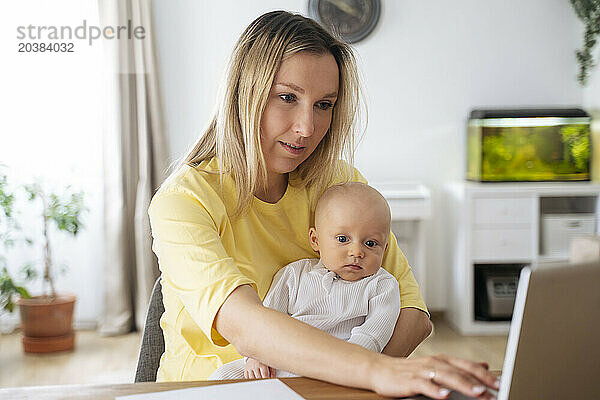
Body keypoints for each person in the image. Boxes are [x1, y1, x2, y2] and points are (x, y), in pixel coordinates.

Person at [148, 10, 499, 399]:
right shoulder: (183, 201)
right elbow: (246, 326)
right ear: (243, 93)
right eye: (287, 97)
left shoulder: (340, 183)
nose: (307, 128)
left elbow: (413, 316)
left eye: (324, 105)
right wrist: (372, 371)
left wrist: (339, 386)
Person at [209, 182, 401, 380]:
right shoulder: (294, 274)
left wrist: (348, 364)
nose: (357, 252)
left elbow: (373, 334)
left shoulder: (382, 285)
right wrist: (256, 356)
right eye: (342, 239)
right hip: (281, 358)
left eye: (370, 243)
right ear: (315, 240)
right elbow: (267, 319)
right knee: (223, 375)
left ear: (384, 249)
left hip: (341, 367)